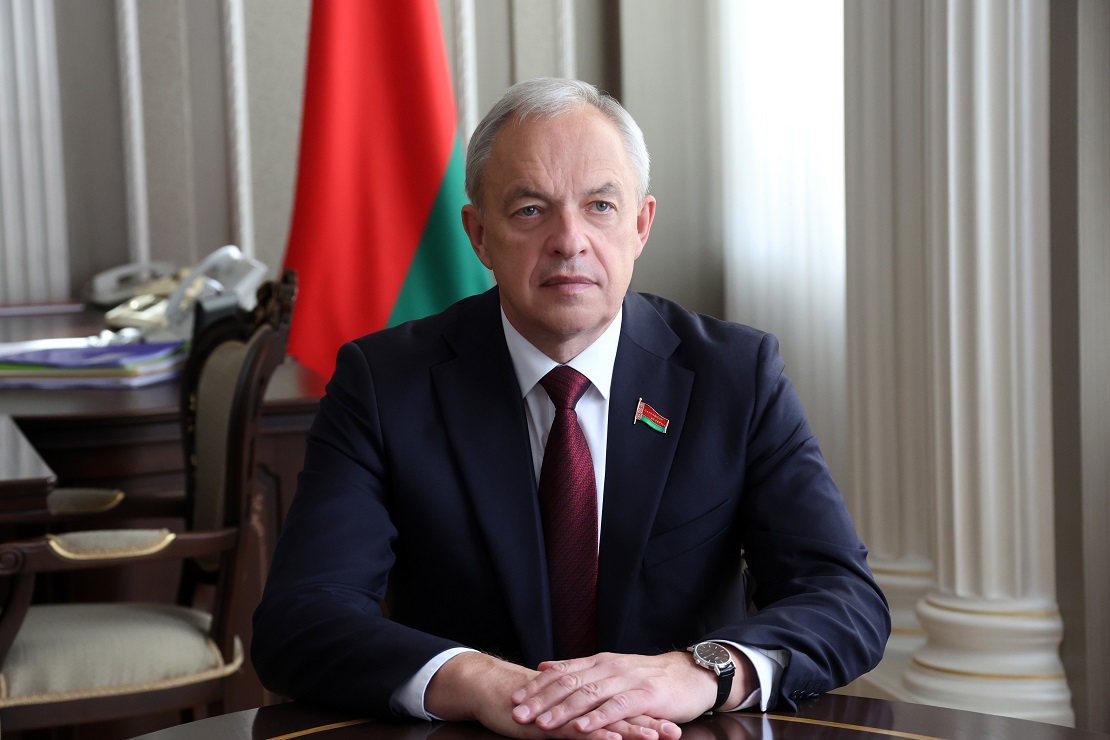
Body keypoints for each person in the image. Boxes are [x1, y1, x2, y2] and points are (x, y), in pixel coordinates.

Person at [252, 78, 889, 740]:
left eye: (600, 206)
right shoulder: (385, 384)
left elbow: (845, 600)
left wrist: (698, 672)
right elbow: (301, 617)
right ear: (479, 235)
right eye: (530, 210)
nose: (569, 240)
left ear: (640, 225)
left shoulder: (735, 376)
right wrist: (483, 683)